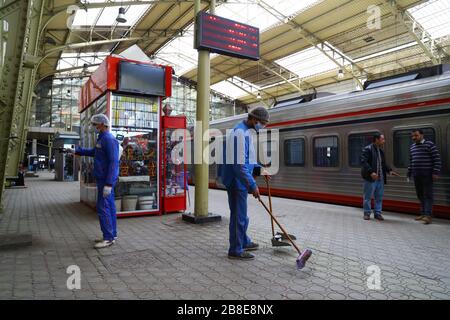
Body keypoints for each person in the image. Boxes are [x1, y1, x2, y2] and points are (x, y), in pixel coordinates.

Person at [219, 106, 270, 260]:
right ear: (254, 119)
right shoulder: (239, 133)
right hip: (236, 181)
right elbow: (239, 165)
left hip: (241, 180)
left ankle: (244, 241)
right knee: (238, 216)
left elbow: (249, 159)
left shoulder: (245, 131)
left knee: (242, 215)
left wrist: (261, 170)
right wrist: (253, 186)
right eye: (262, 123)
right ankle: (235, 249)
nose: (262, 127)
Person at [71, 114, 119, 248]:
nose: (93, 127)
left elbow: (113, 163)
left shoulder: (108, 139)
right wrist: (78, 151)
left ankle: (108, 237)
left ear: (102, 124)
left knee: (103, 207)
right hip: (103, 179)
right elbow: (94, 152)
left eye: (95, 124)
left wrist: (109, 183)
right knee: (109, 207)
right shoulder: (102, 139)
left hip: (105, 180)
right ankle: (112, 234)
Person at [360, 133, 400, 221]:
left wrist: (390, 171)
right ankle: (367, 213)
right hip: (370, 178)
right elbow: (364, 162)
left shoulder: (381, 151)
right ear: (377, 140)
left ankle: (377, 213)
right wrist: (371, 172)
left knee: (379, 197)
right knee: (367, 197)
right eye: (382, 139)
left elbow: (383, 164)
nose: (384, 141)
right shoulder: (368, 149)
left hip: (380, 178)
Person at [408, 129, 441, 225]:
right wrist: (409, 172)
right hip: (416, 175)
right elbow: (411, 161)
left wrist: (435, 172)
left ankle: (428, 216)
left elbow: (437, 159)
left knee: (428, 195)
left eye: (416, 135)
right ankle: (423, 214)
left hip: (427, 175)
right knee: (420, 195)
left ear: (422, 135)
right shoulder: (412, 147)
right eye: (412, 136)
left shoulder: (429, 144)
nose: (414, 138)